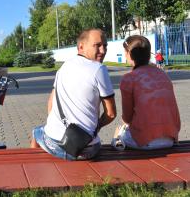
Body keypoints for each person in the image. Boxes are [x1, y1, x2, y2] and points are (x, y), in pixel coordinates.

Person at [30, 28, 117, 160]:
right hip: (87, 150)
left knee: (37, 132)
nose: (103, 51)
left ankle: (32, 168)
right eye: (97, 45)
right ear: (81, 47)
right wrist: (95, 128)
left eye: (105, 46)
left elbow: (51, 102)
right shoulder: (99, 69)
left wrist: (57, 125)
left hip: (55, 145)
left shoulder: (63, 67)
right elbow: (111, 114)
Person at [111, 35, 180, 150]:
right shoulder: (162, 74)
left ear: (129, 54)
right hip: (170, 139)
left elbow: (127, 118)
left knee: (120, 130)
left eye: (125, 52)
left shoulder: (129, 78)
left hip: (144, 142)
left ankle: (117, 140)